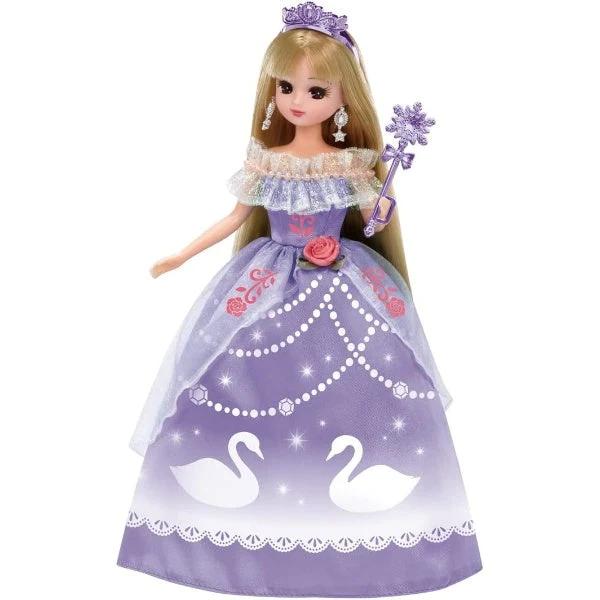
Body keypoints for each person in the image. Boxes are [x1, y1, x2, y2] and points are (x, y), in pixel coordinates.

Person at [116, 2, 483, 595]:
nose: (297, 101)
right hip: (265, 281)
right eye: (285, 87)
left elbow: (374, 216)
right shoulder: (265, 160)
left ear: (342, 100)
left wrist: (382, 203)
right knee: (227, 369)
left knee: (370, 377)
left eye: (315, 91)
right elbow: (234, 217)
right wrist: (181, 255)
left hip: (345, 283)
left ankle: (367, 541)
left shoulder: (351, 164)